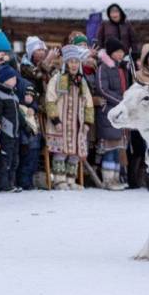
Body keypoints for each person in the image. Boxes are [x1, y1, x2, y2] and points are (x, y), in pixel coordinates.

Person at [45, 45, 94, 191]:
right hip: (61, 121)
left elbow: (89, 103)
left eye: (76, 62)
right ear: (66, 63)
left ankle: (71, 180)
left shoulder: (82, 82)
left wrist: (87, 121)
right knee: (61, 150)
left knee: (75, 152)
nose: (74, 65)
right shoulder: (57, 78)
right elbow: (50, 99)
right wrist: (55, 119)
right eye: (71, 62)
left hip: (76, 123)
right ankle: (59, 180)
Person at [96, 39, 129, 191]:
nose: (121, 54)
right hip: (108, 112)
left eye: (122, 52)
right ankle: (108, 180)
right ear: (111, 53)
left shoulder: (121, 68)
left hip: (120, 113)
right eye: (118, 51)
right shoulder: (104, 67)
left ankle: (115, 178)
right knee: (110, 148)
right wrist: (121, 101)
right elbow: (103, 89)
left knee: (117, 148)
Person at [0, 64, 22, 193]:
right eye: (12, 78)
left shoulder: (14, 96)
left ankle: (11, 182)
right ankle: (3, 184)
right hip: (5, 133)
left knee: (14, 159)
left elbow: (18, 115)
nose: (15, 80)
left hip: (15, 133)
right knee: (4, 159)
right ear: (4, 79)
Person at [16, 84, 42, 190]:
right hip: (26, 142)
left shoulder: (33, 109)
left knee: (33, 163)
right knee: (25, 163)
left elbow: (36, 126)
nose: (28, 97)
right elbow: (22, 126)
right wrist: (24, 142)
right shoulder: (20, 108)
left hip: (35, 142)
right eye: (26, 95)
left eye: (31, 96)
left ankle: (29, 182)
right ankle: (24, 183)